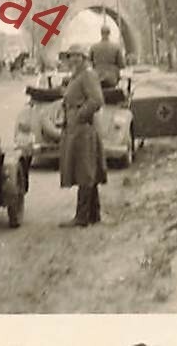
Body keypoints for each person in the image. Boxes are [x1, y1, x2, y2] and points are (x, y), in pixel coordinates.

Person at [58, 43, 107, 227]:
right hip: (76, 128)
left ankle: (82, 217)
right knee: (86, 170)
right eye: (71, 56)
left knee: (84, 171)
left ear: (84, 58)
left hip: (83, 128)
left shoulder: (87, 74)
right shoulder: (77, 76)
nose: (73, 59)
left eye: (77, 56)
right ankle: (93, 214)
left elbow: (97, 100)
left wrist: (79, 116)